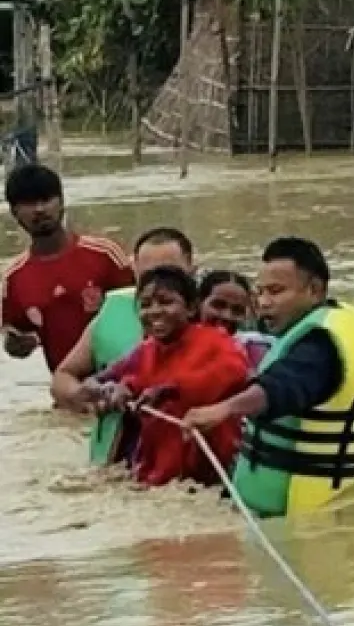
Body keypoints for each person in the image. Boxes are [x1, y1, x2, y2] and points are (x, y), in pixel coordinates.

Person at [182, 236, 354, 518]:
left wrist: (225, 409)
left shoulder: (320, 346)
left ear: (314, 290)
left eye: (275, 291)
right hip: (272, 515)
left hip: (307, 524)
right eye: (259, 292)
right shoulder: (300, 327)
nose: (264, 302)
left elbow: (281, 387)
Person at [86, 266, 250, 489]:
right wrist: (115, 389)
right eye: (145, 305)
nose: (154, 311)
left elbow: (231, 373)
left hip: (210, 478)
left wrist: (171, 390)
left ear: (191, 308)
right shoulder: (145, 351)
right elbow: (96, 382)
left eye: (165, 302)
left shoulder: (220, 343)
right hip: (154, 475)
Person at [50, 226, 195, 466]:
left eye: (171, 275)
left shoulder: (217, 315)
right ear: (134, 273)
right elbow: (62, 377)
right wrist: (83, 397)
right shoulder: (112, 313)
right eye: (149, 276)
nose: (160, 285)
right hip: (117, 459)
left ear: (192, 271)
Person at [1, 162, 132, 371]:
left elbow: (140, 312)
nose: (40, 209)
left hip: (124, 380)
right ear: (15, 212)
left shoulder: (105, 254)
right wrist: (18, 345)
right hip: (69, 388)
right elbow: (16, 338)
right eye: (30, 203)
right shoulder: (14, 278)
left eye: (46, 200)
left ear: (61, 202)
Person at [197, 269, 273, 369]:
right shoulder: (177, 344)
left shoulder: (254, 348)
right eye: (218, 305)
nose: (227, 316)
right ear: (198, 303)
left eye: (237, 310)